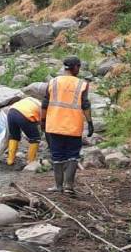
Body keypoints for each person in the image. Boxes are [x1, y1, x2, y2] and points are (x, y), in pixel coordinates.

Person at [40, 56, 93, 194]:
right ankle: (69, 186)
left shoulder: (53, 82)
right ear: (75, 67)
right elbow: (85, 105)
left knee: (57, 156)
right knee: (73, 156)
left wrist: (43, 121)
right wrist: (90, 122)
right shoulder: (82, 84)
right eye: (79, 67)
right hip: (73, 126)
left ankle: (58, 186)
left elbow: (45, 104)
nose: (79, 69)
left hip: (54, 125)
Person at [5, 96, 43, 166]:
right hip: (25, 114)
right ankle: (31, 161)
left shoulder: (29, 99)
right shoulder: (42, 107)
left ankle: (10, 160)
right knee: (35, 138)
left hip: (11, 112)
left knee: (14, 136)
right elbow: (42, 122)